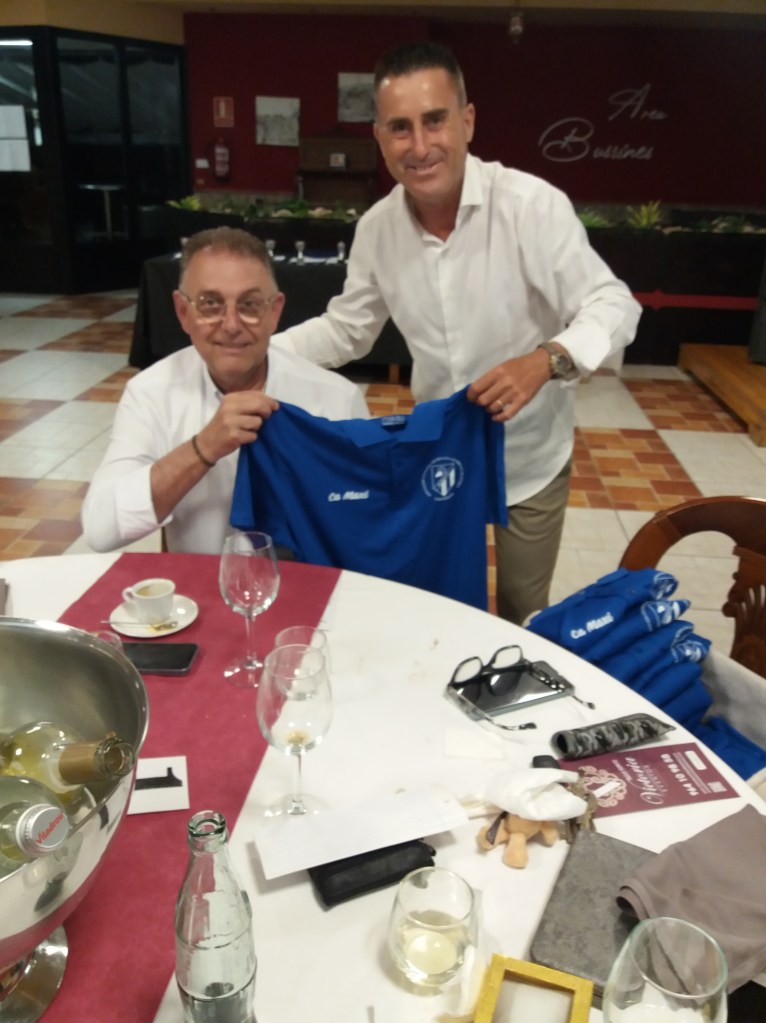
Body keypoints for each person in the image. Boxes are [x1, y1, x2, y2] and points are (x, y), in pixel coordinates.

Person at [274, 40, 642, 625]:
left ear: (467, 121)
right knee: (437, 603)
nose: (420, 146)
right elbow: (348, 331)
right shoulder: (377, 228)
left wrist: (545, 360)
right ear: (379, 138)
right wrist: (257, 353)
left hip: (530, 454)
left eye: (435, 120)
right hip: (440, 454)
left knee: (523, 610)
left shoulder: (530, 206)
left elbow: (614, 304)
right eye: (400, 128)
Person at [81, 228, 368, 555]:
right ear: (183, 312)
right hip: (198, 586)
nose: (231, 325)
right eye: (210, 304)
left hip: (310, 581)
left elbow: (364, 526)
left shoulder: (336, 399)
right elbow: (101, 529)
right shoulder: (150, 393)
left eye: (250, 304)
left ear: (274, 312)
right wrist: (203, 448)